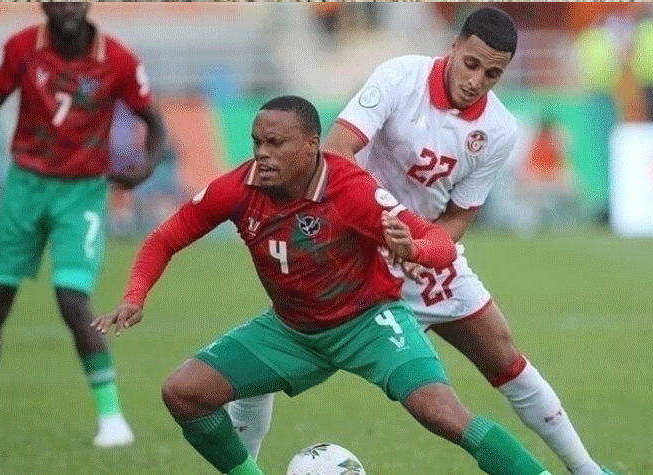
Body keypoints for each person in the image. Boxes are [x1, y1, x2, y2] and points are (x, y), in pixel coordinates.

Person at [228, 8, 617, 475]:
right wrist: (382, 227)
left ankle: (588, 470)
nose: (477, 81)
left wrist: (423, 250)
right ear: (454, 47)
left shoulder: (499, 129)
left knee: (504, 357)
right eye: (471, 64)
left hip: (422, 257)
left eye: (492, 74)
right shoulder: (400, 78)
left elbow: (460, 216)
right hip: (353, 254)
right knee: (261, 369)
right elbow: (336, 150)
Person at [93, 95, 554, 475]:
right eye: (257, 142)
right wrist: (135, 295)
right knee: (183, 392)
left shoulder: (350, 188)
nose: (262, 154)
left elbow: (439, 243)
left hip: (369, 323)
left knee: (443, 413)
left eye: (276, 143)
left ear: (312, 145)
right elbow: (165, 237)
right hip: (291, 331)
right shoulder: (238, 188)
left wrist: (413, 249)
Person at [0, 2, 167, 450]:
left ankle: (112, 418)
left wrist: (144, 169)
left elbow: (155, 124)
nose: (68, 5)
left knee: (72, 301)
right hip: (24, 186)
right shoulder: (21, 48)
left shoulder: (119, 60)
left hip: (82, 192)